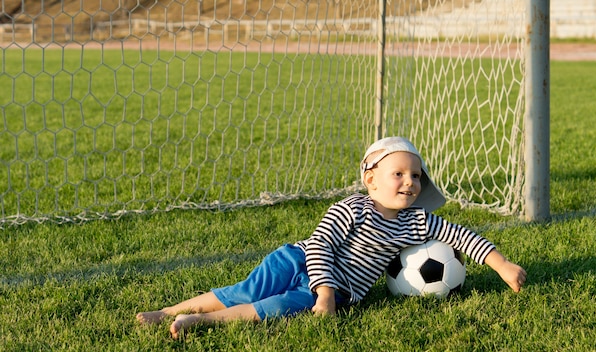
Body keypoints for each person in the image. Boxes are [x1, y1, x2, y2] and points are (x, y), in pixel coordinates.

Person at [136, 136, 527, 338]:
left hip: (340, 291)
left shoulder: (417, 221)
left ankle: (201, 323)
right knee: (244, 290)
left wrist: (502, 265)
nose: (410, 183)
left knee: (276, 307)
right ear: (370, 180)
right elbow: (321, 244)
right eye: (399, 174)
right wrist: (324, 290)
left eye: (416, 176)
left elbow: (462, 235)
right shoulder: (351, 208)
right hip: (298, 260)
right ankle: (169, 311)